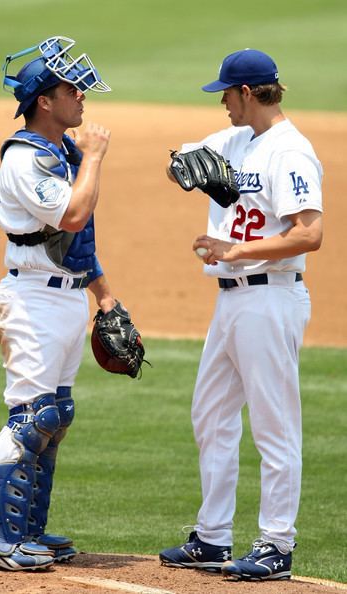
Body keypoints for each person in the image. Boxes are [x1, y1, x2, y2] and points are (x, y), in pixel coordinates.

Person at [159, 48, 323, 581]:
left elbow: (309, 233)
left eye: (226, 94)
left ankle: (277, 544)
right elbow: (180, 160)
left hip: (270, 298)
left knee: (274, 427)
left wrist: (235, 249)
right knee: (210, 416)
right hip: (231, 303)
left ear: (247, 93)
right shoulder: (233, 140)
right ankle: (212, 537)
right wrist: (186, 169)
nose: (222, 103)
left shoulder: (290, 153)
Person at [0, 36, 116, 571]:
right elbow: (74, 215)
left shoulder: (59, 152)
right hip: (30, 299)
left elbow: (76, 241)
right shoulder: (25, 160)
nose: (80, 96)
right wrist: (95, 157)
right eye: (68, 88)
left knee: (57, 415)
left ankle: (26, 528)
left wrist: (105, 295)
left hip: (65, 297)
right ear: (44, 102)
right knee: (32, 415)